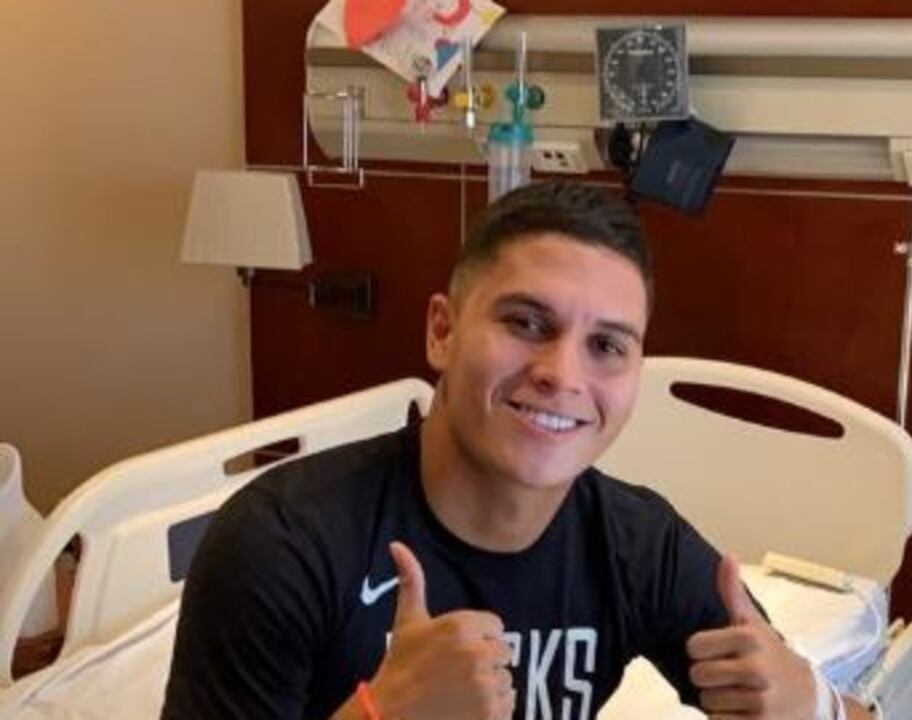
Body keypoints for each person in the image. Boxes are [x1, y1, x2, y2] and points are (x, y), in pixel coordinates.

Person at [162, 180, 872, 720]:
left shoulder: (636, 547)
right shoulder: (285, 543)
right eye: (527, 323)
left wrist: (815, 704)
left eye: (606, 346)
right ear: (442, 332)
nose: (562, 374)